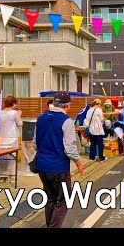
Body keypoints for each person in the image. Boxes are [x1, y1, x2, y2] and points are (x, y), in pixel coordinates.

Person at [34, 91, 84, 228]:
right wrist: (78, 162)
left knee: (50, 198)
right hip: (58, 166)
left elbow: (35, 143)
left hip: (42, 166)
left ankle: (50, 224)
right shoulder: (66, 121)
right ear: (67, 105)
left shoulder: (41, 118)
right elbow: (70, 147)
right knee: (63, 200)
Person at [0, 96, 23, 181]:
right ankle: (11, 176)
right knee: (12, 157)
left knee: (2, 157)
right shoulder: (14, 113)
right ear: (13, 104)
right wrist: (19, 115)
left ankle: (1, 174)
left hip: (1, 137)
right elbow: (20, 124)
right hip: (12, 137)